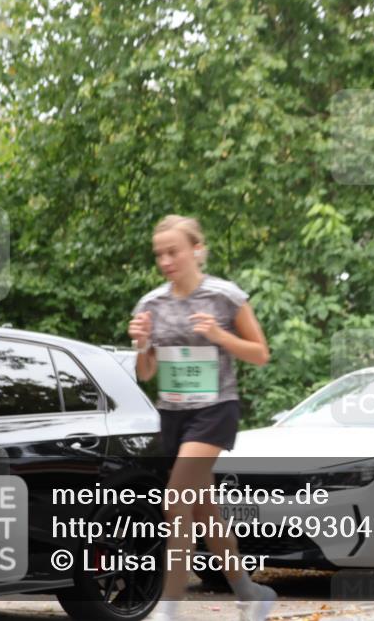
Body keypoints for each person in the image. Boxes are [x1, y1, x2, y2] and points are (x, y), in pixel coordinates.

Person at [129, 215, 275, 621]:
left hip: (215, 411)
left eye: (173, 251)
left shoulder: (225, 298)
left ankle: (169, 607)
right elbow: (146, 373)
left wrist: (219, 336)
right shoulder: (151, 304)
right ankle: (250, 592)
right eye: (159, 254)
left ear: (196, 250)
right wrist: (142, 344)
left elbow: (260, 354)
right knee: (201, 509)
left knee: (175, 501)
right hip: (174, 415)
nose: (165, 260)